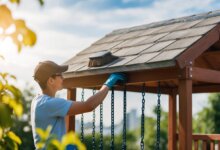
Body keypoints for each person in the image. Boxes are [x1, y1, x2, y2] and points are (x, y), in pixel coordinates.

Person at [31, 60, 126, 149]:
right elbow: (89, 105)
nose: (63, 78)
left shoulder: (37, 101)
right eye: (60, 75)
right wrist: (108, 83)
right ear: (51, 80)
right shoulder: (50, 104)